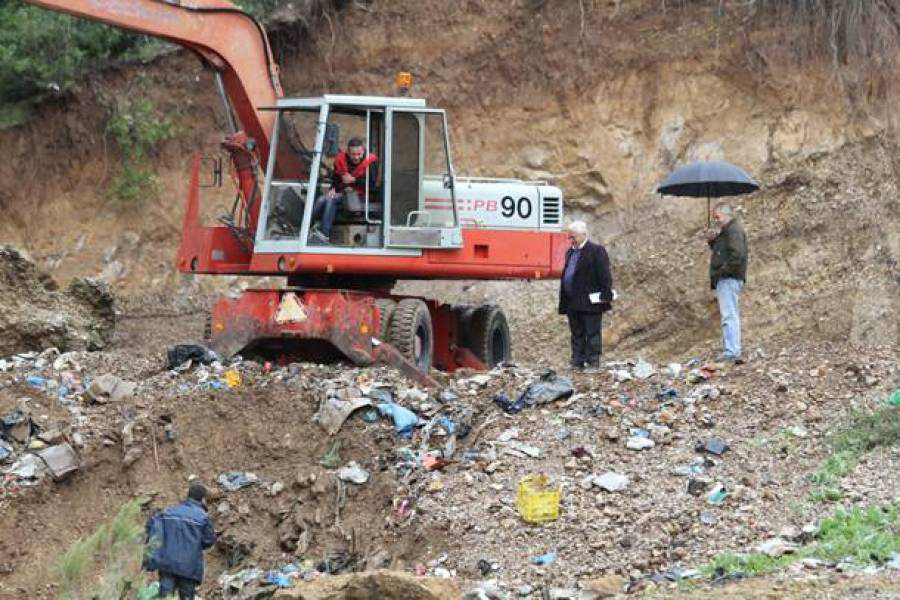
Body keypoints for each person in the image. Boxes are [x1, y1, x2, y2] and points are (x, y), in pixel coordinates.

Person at [144, 483, 216, 599]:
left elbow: (152, 527)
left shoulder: (169, 512)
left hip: (167, 564)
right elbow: (209, 540)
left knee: (165, 597)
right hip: (189, 567)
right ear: (202, 499)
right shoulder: (203, 517)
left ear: (188, 496)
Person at [558, 221, 613, 370]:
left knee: (592, 332)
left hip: (590, 302)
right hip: (572, 302)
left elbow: (604, 274)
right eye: (569, 237)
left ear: (583, 235)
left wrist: (605, 292)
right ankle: (577, 361)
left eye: (573, 237)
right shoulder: (570, 252)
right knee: (576, 333)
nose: (571, 240)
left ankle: (593, 361)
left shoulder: (596, 251)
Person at [310, 137, 378, 243]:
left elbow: (372, 185)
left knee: (331, 200)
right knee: (322, 199)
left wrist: (353, 180)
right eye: (353, 154)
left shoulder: (370, 161)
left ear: (363, 151)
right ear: (348, 152)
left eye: (359, 154)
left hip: (360, 195)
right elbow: (336, 180)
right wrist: (333, 189)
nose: (356, 157)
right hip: (343, 192)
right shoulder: (340, 160)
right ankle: (309, 226)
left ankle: (324, 234)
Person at [706, 203, 748, 363]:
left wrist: (722, 270)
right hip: (729, 277)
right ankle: (732, 349)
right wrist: (712, 241)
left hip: (729, 278)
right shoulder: (729, 231)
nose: (716, 220)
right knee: (730, 314)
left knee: (729, 314)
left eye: (717, 217)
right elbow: (723, 251)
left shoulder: (733, 230)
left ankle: (732, 351)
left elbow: (737, 255)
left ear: (726, 215)